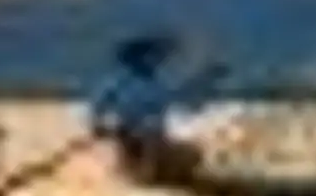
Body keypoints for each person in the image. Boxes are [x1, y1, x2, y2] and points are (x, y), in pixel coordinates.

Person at [88, 30, 226, 181]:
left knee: (190, 154)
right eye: (153, 55)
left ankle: (153, 173)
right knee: (147, 146)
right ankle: (141, 173)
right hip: (129, 135)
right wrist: (100, 126)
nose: (158, 60)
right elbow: (99, 106)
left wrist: (204, 80)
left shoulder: (156, 84)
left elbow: (182, 99)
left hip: (155, 136)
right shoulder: (121, 82)